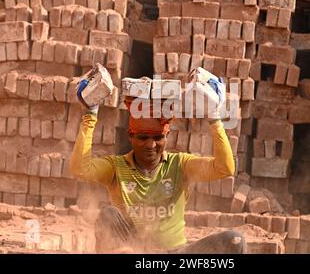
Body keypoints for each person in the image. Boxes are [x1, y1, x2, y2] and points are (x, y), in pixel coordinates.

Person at [70, 75, 247, 254]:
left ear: (166, 137)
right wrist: (90, 114)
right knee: (108, 215)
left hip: (179, 254)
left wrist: (214, 117)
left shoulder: (180, 164)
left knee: (234, 240)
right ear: (130, 137)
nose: (151, 145)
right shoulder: (116, 167)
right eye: (143, 137)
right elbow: (80, 170)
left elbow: (225, 168)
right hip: (135, 253)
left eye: (157, 137)